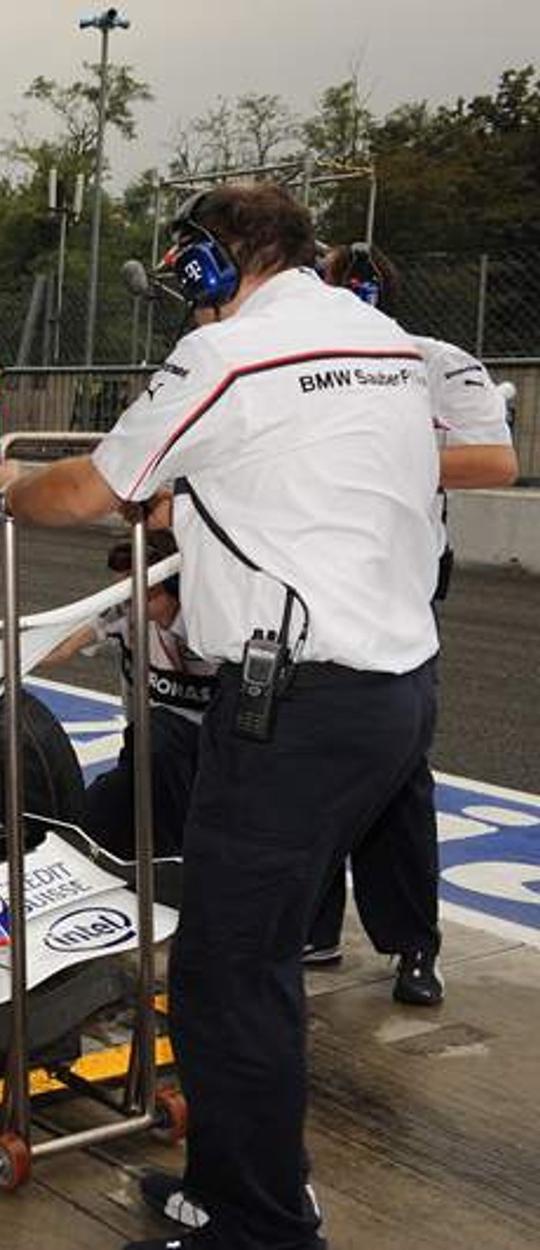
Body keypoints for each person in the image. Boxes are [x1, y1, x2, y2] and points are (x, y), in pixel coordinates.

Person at [0, 182, 441, 1250]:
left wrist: (2, 486)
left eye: (185, 265)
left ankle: (261, 1224)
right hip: (395, 690)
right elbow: (286, 474)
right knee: (246, 963)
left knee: (229, 975)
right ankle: (231, 1185)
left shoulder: (223, 354)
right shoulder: (381, 339)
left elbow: (89, 491)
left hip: (296, 704)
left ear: (209, 262)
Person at [292, 243, 522, 1000]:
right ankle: (315, 927)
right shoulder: (295, 364)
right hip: (305, 581)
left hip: (398, 587)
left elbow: (496, 462)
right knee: (302, 759)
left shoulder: (437, 362)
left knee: (397, 772)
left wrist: (383, 461)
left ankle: (413, 945)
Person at [42, 530, 217, 862]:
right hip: (148, 755)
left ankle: (174, 861)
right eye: (125, 588)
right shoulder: (125, 613)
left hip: (211, 761)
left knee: (160, 734)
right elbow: (60, 647)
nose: (131, 598)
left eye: (142, 589)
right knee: (86, 818)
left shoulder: (216, 627)